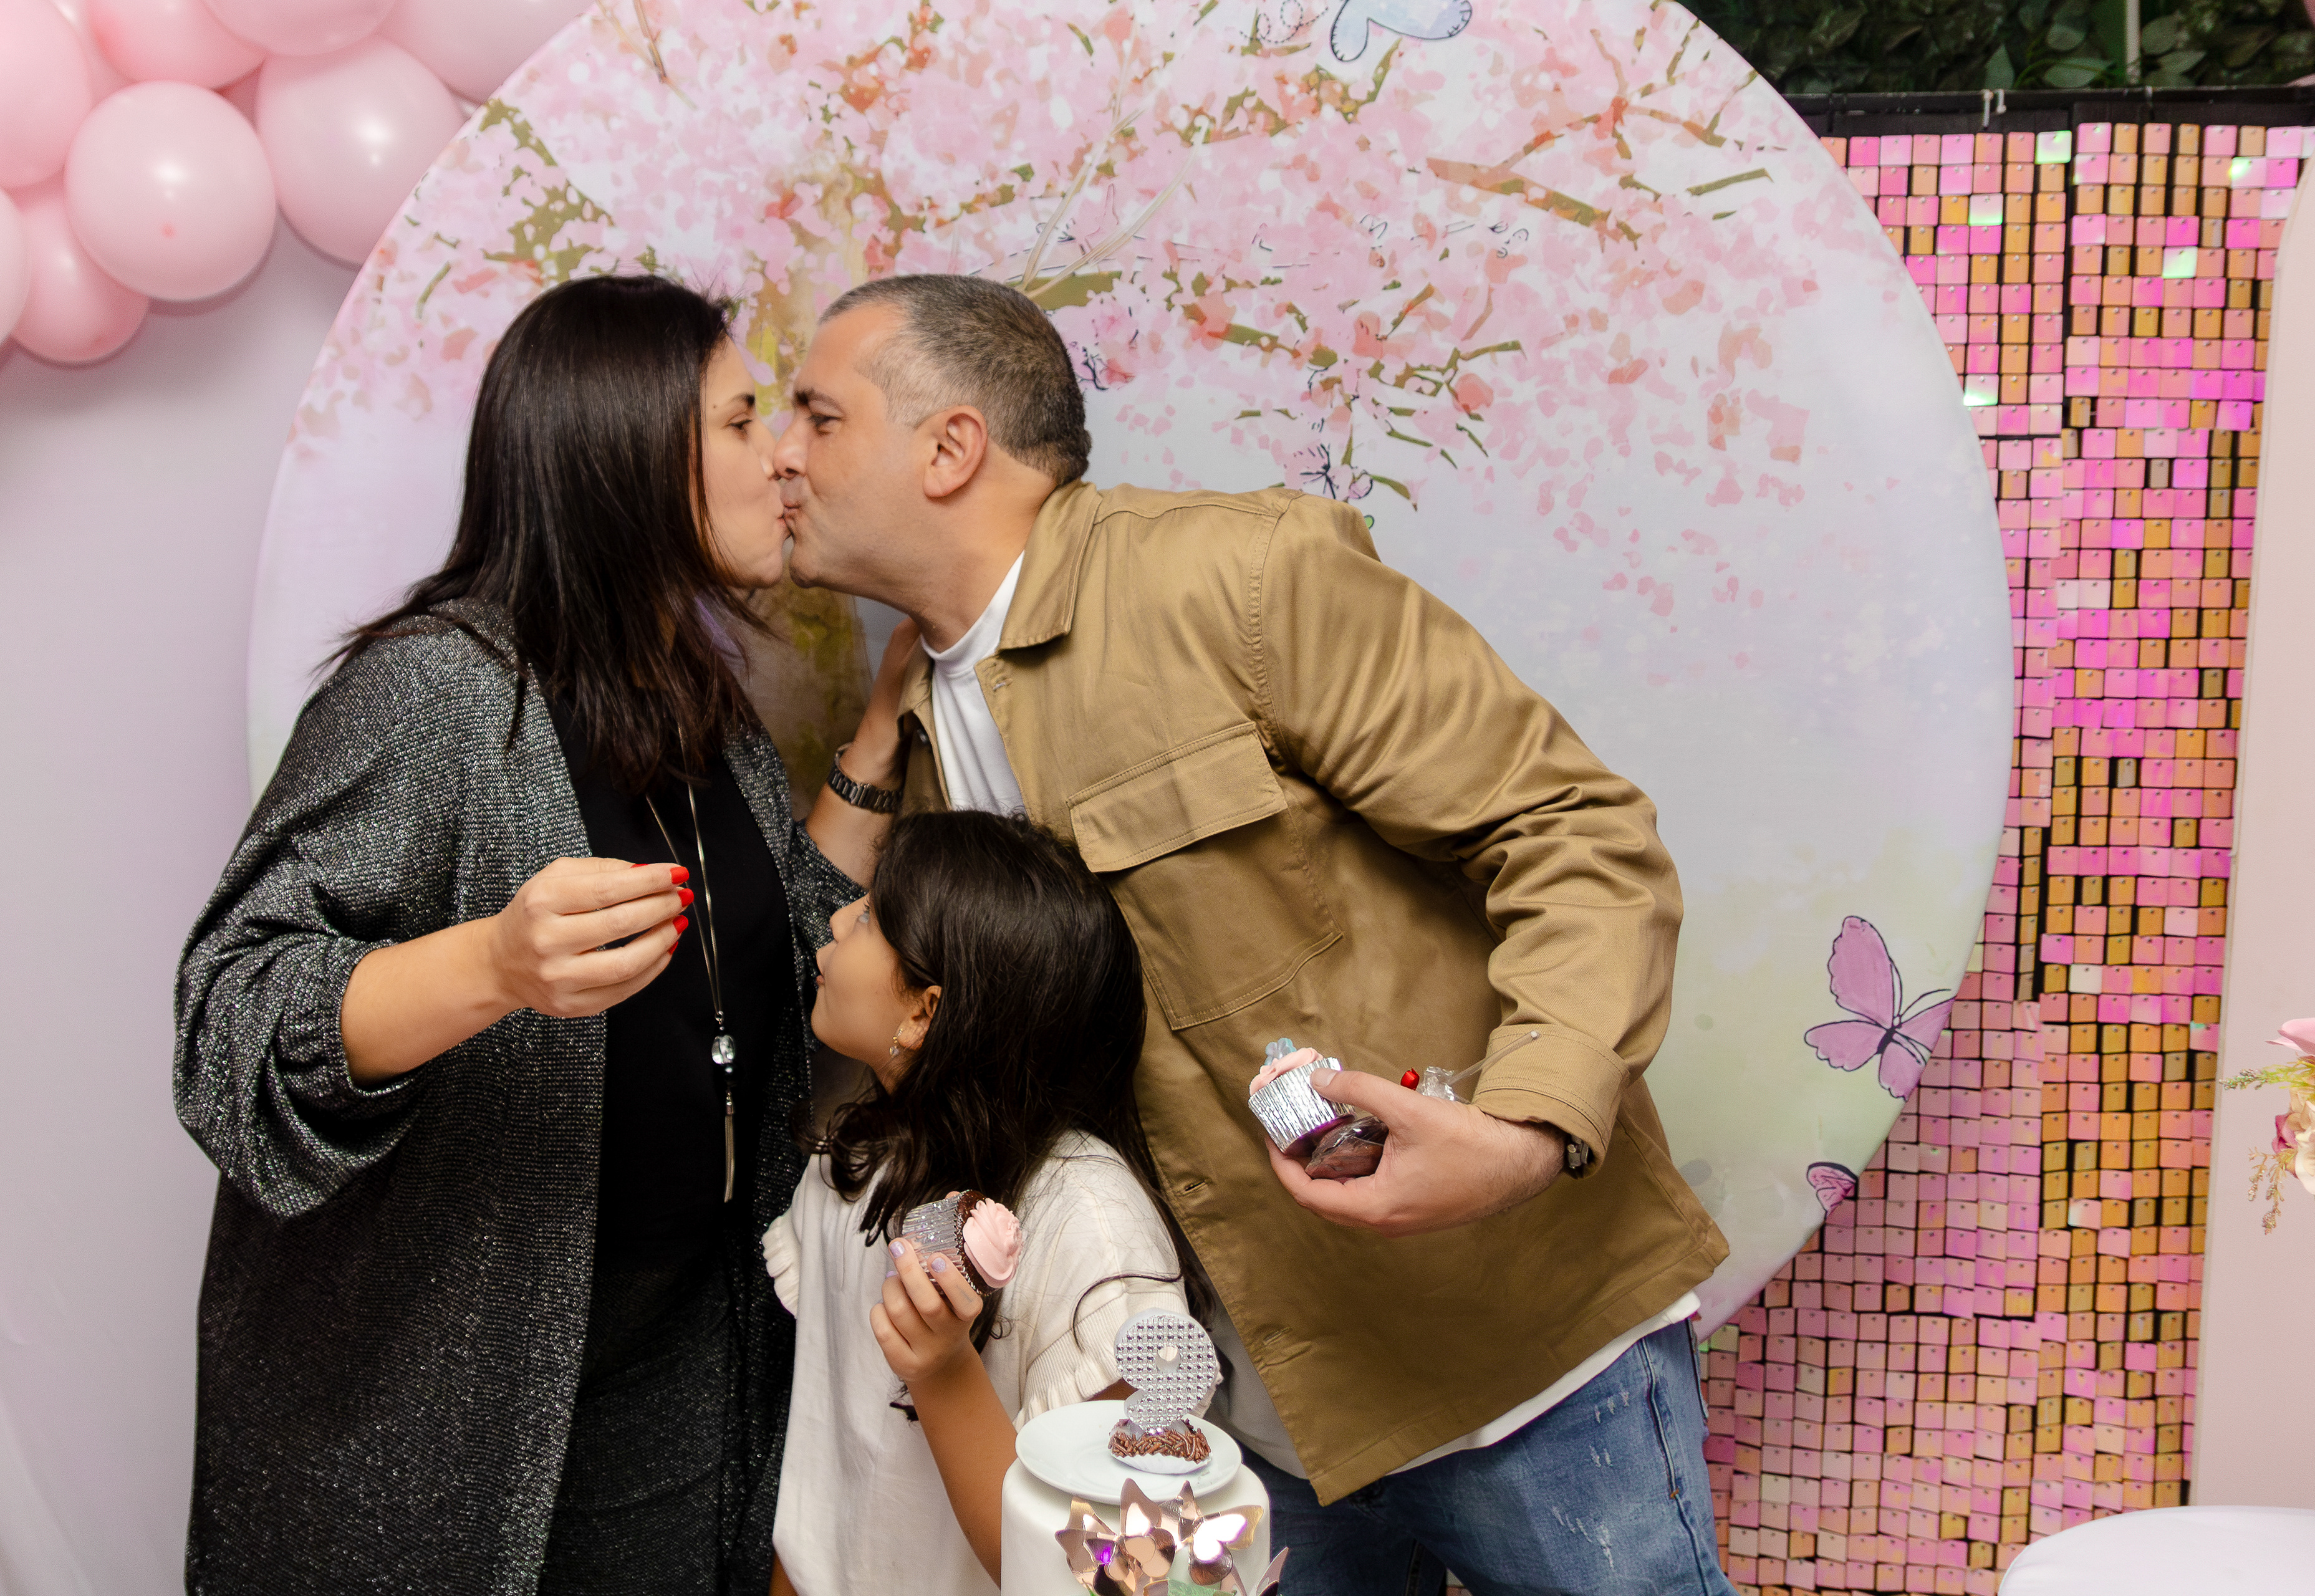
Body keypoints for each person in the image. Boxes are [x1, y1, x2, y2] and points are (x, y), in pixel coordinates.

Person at [770, 273, 1735, 1595]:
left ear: (949, 448)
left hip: (1503, 1350)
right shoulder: (927, 721)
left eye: (819, 415)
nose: (782, 451)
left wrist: (1524, 1129)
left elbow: (1579, 831)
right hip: (1221, 1416)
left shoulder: (1237, 576)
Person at [173, 274, 913, 1595]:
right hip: (454, 1391)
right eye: (745, 420)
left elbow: (775, 950)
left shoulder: (695, 692)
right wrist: (489, 965)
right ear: (629, 456)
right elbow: (230, 1023)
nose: (785, 456)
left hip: (687, 1359)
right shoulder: (433, 691)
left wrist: (875, 740)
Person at [762, 810, 1198, 1594]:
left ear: (924, 1011)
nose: (832, 918)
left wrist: (942, 1370)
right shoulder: (852, 1163)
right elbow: (829, 1480)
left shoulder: (1091, 1225)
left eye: (867, 915)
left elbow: (1112, 1571)